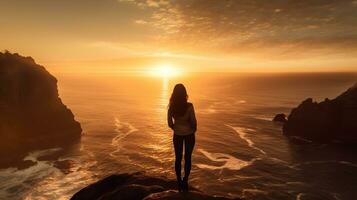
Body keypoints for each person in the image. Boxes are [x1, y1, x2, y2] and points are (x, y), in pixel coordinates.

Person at [167, 83, 197, 192]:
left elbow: (170, 123)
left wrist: (177, 128)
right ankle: (185, 181)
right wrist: (192, 129)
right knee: (187, 158)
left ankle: (179, 181)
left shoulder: (171, 107)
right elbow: (193, 122)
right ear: (185, 94)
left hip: (177, 135)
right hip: (189, 135)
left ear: (174, 94)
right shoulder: (189, 106)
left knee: (178, 159)